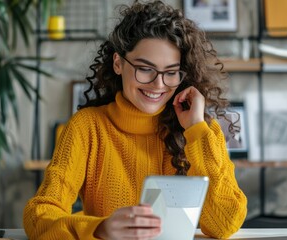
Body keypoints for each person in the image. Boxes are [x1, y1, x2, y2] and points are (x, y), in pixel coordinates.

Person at [23, 1, 247, 239]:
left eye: (171, 72)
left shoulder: (199, 130)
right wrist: (100, 229)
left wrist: (196, 130)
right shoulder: (87, 127)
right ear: (118, 63)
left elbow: (225, 224)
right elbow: (38, 216)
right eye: (145, 68)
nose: (158, 84)